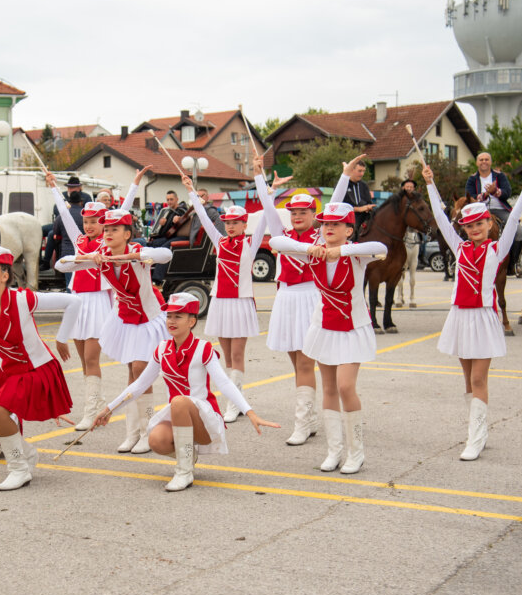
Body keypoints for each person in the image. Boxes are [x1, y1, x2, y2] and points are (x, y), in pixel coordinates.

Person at [424, 161, 522, 460]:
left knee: (479, 380)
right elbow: (441, 220)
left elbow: (517, 214)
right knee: (467, 381)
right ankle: (476, 431)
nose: (475, 229)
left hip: (483, 318)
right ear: (464, 228)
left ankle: (475, 439)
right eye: (469, 226)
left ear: (490, 224)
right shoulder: (460, 247)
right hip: (459, 317)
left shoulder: (497, 248)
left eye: (480, 224)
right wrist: (429, 184)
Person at [93, 293, 279, 491]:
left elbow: (224, 383)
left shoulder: (204, 348)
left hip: (204, 421)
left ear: (192, 321)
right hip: (178, 414)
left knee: (179, 401)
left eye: (178, 316)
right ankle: (188, 456)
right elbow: (138, 385)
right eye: (169, 316)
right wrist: (109, 409)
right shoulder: (161, 349)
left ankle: (183, 472)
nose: (171, 321)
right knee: (156, 440)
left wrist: (250, 412)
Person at [269, 167, 388, 475]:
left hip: (353, 329)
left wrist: (341, 251)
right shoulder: (314, 254)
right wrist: (311, 248)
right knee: (329, 390)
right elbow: (278, 244)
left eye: (336, 224)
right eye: (325, 224)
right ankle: (334, 451)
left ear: (350, 229)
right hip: (324, 329)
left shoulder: (357, 255)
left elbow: (382, 249)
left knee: (346, 387)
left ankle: (356, 451)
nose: (328, 229)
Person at [0, 246, 81, 491]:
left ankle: (18, 469)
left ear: (5, 275)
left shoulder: (23, 299)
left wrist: (62, 338)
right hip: (9, 373)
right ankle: (27, 453)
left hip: (35, 369)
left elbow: (73, 301)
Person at [258, 153, 363, 445]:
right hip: (286, 299)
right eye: (293, 212)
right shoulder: (284, 235)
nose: (298, 216)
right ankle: (311, 418)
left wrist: (344, 175)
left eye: (303, 212)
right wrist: (260, 178)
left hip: (309, 298)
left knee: (305, 364)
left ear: (313, 215)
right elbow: (268, 210)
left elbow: (335, 205)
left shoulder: (320, 237)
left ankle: (303, 423)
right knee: (296, 364)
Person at [55, 209, 173, 454]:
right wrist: (87, 259)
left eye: (114, 230)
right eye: (105, 229)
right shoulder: (102, 255)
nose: (107, 233)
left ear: (127, 234)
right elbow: (61, 266)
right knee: (131, 373)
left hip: (147, 321)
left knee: (142, 372)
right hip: (124, 321)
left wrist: (137, 253)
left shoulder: (139, 255)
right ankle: (133, 433)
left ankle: (148, 430)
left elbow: (166, 254)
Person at [47, 167, 148, 430]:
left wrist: (134, 184)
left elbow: (123, 212)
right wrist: (53, 187)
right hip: (77, 302)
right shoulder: (79, 240)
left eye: (95, 222)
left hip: (98, 303)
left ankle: (91, 412)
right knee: (83, 361)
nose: (89, 226)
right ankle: (96, 401)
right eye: (87, 221)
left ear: (106, 224)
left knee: (92, 359)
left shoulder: (107, 245)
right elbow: (65, 216)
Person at [183, 172, 268, 423]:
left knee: (238, 356)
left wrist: (267, 190)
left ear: (245, 224)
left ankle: (233, 404)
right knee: (227, 356)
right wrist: (191, 190)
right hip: (220, 301)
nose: (230, 226)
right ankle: (237, 400)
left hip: (241, 303)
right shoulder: (220, 242)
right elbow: (202, 216)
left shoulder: (251, 244)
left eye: (236, 222)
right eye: (228, 222)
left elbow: (266, 217)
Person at [466, 152, 520, 274]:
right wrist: (485, 195)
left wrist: (495, 191)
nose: (484, 162)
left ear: (490, 162)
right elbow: (469, 196)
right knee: (464, 232)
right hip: (480, 212)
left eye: (486, 159)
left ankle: (513, 263)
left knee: (518, 232)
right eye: (481, 160)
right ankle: (465, 263)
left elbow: (508, 192)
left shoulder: (500, 176)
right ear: (477, 163)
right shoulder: (472, 178)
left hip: (500, 209)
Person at [43, 174, 91, 279]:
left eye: (73, 187)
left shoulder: (86, 197)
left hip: (79, 222)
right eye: (69, 187)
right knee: (43, 230)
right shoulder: (63, 194)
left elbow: (89, 211)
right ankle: (45, 260)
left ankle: (48, 261)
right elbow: (56, 209)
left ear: (79, 188)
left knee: (52, 234)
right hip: (64, 220)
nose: (71, 189)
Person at [394, 179, 422, 308]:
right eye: (407, 186)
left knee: (413, 268)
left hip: (413, 232)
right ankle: (399, 296)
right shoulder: (398, 201)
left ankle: (412, 296)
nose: (409, 188)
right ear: (403, 188)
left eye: (411, 186)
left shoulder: (417, 201)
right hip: (401, 233)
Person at [343, 159, 375, 238]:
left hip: (364, 216)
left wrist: (368, 207)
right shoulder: (343, 184)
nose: (362, 174)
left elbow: (368, 202)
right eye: (359, 171)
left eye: (363, 171)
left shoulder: (364, 185)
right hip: (348, 217)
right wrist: (360, 209)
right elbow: (342, 206)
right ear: (352, 170)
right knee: (353, 230)